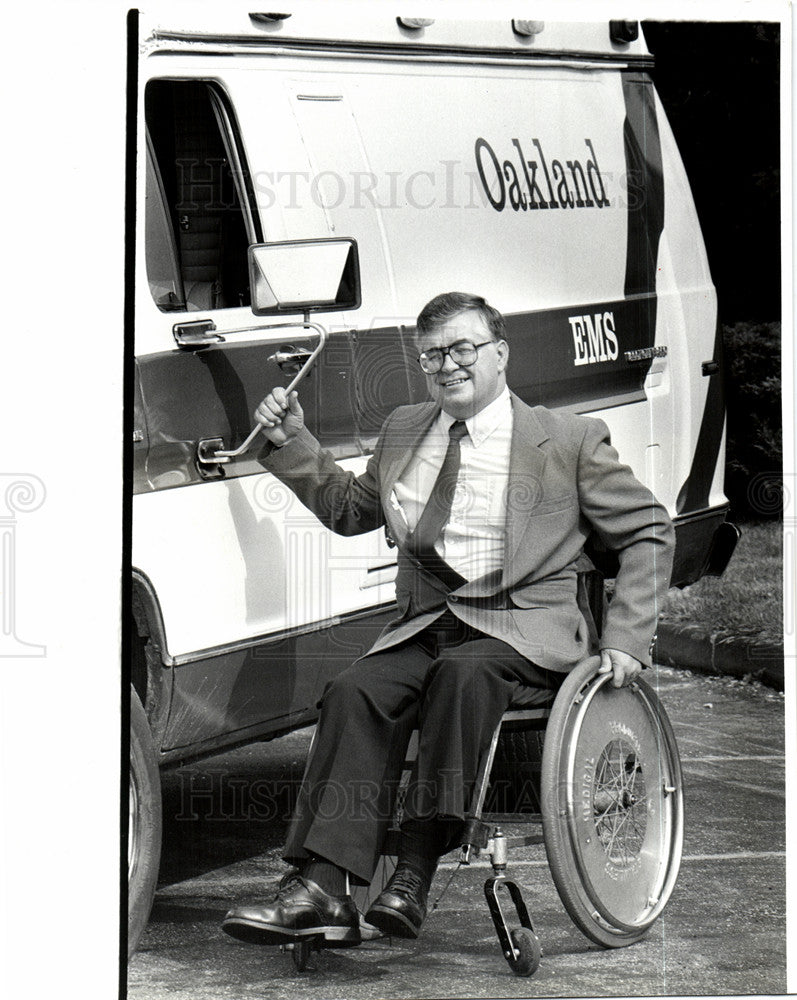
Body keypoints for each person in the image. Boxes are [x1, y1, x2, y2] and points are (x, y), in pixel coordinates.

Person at [222, 291, 674, 948]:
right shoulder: (407, 428)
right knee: (356, 689)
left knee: (465, 674)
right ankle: (323, 888)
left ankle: (413, 870)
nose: (447, 365)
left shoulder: (567, 439)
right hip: (426, 623)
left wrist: (628, 641)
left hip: (522, 631)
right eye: (432, 354)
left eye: (462, 348)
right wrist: (288, 437)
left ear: (499, 354)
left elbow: (648, 529)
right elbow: (350, 509)